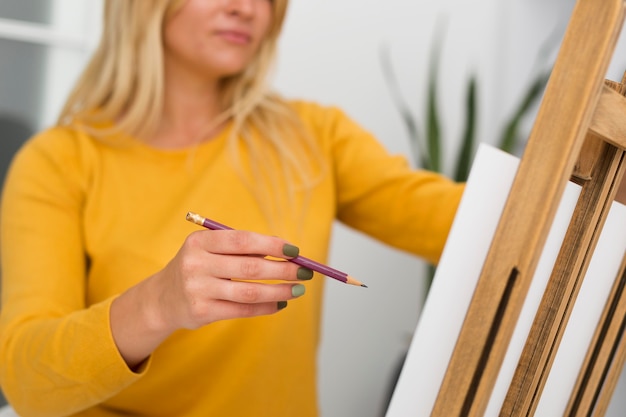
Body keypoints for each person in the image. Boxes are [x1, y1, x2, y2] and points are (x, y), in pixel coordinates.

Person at [0, 1, 464, 416]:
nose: (247, 7)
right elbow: (28, 386)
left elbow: (462, 223)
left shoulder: (315, 137)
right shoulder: (59, 162)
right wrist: (157, 305)